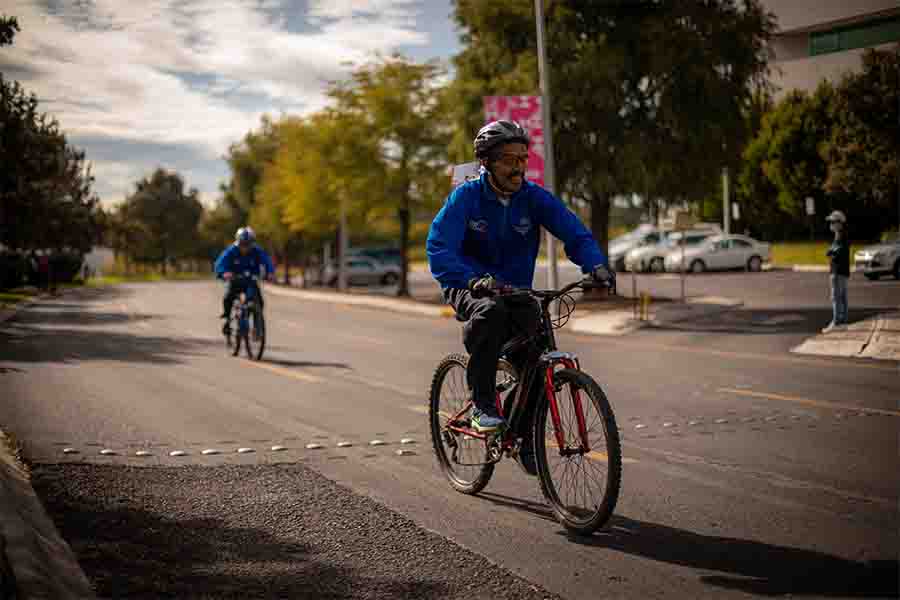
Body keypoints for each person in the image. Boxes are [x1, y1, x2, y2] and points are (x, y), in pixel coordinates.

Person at [426, 120, 614, 473]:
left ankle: (522, 435)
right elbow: (438, 248)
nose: (518, 167)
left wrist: (597, 266)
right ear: (487, 163)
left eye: (522, 159)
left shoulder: (533, 198)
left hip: (516, 288)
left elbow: (574, 232)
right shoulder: (466, 197)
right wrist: (472, 280)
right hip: (466, 283)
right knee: (489, 314)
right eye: (508, 160)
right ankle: (483, 405)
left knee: (535, 361)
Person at [214, 227, 275, 335]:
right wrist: (224, 273)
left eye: (248, 244)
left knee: (258, 302)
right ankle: (227, 319)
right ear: (238, 242)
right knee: (228, 297)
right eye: (243, 244)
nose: (245, 247)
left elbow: (267, 261)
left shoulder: (256, 251)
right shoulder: (231, 250)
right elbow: (220, 263)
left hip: (251, 281)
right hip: (235, 280)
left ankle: (257, 327)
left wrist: (270, 273)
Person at [823, 210, 850, 333]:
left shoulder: (841, 236)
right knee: (842, 297)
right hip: (842, 271)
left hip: (838, 271)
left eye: (833, 222)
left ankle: (836, 322)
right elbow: (837, 249)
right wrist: (832, 251)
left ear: (839, 223)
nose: (831, 224)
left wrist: (830, 252)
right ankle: (843, 321)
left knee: (836, 297)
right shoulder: (840, 235)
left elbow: (838, 251)